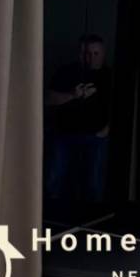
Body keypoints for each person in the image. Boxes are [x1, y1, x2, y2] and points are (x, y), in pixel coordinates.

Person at [45, 34, 112, 202]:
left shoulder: (109, 75)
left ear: (103, 53)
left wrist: (106, 129)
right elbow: (48, 99)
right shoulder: (65, 72)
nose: (91, 58)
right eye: (87, 53)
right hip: (64, 134)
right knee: (55, 179)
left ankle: (94, 214)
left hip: (95, 136)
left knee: (94, 183)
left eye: (96, 53)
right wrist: (73, 95)